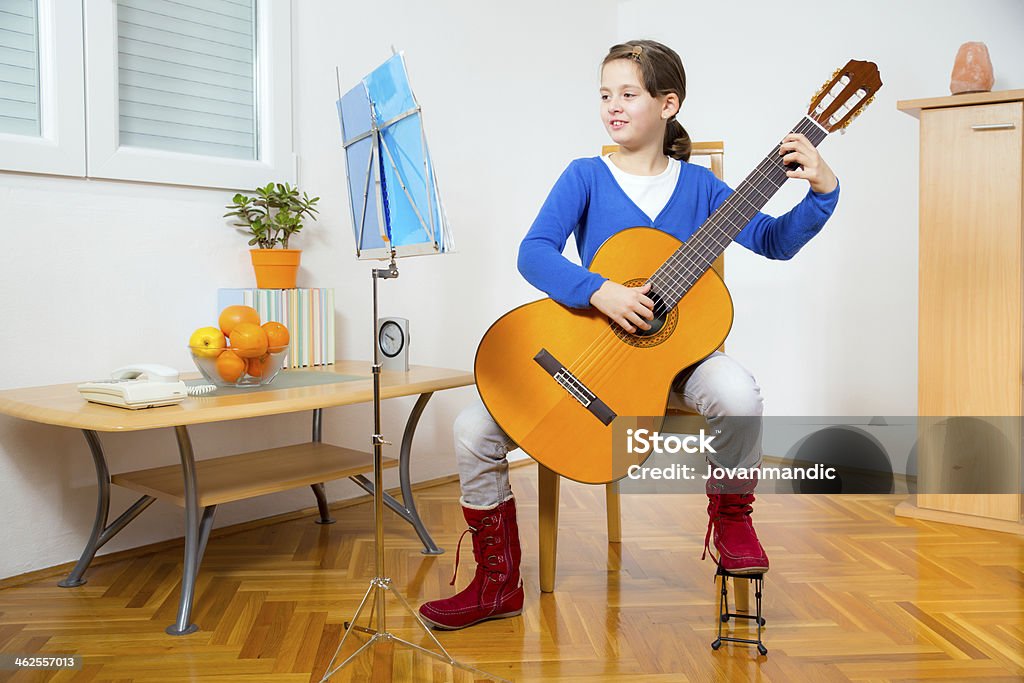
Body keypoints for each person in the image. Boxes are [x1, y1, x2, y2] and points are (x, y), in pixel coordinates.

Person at [418, 39, 840, 631]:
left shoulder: (703, 189)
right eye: (605, 94)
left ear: (668, 104)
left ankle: (734, 519)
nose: (613, 106)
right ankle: (496, 583)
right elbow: (534, 253)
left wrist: (822, 190)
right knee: (470, 429)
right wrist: (599, 291)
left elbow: (772, 240)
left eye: (629, 94)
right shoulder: (585, 175)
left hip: (682, 358)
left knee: (738, 393)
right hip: (591, 352)